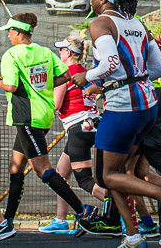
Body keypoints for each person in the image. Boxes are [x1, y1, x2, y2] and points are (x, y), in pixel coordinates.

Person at [71, 0, 161, 248]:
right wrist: (133, 75)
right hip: (148, 105)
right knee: (118, 172)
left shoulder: (101, 24)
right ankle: (132, 236)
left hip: (123, 106)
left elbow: (107, 63)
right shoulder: (139, 24)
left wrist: (89, 76)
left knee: (106, 176)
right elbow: (158, 68)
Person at [0, 13, 93, 240]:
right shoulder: (44, 52)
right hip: (43, 116)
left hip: (27, 117)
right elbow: (65, 75)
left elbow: (11, 85)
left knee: (43, 170)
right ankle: (7, 221)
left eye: (10, 31)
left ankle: (82, 211)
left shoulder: (11, 55)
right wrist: (43, 86)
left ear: (18, 33)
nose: (8, 35)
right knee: (15, 167)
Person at [43, 36, 105, 235]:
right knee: (62, 173)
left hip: (79, 129)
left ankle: (121, 210)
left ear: (68, 53)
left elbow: (56, 105)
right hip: (92, 125)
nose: (59, 53)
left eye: (61, 50)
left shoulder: (66, 73)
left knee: (85, 181)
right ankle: (61, 219)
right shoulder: (86, 72)